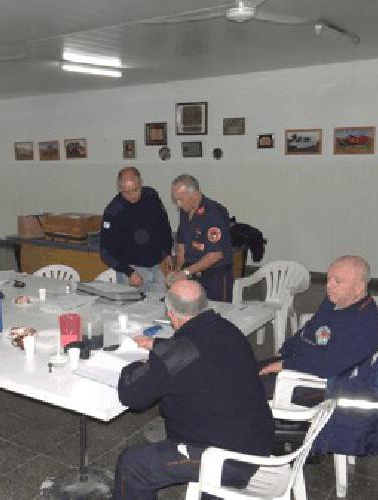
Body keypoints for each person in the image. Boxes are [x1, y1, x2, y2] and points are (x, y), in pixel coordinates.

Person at [113, 280, 274, 499]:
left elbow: (131, 395)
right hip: (257, 439)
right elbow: (198, 350)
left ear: (171, 314)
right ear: (204, 305)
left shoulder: (180, 353)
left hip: (228, 460)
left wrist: (133, 365)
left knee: (132, 465)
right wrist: (159, 344)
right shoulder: (227, 329)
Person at [259, 255, 378, 456]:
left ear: (359, 288)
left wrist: (284, 365)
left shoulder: (365, 325)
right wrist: (283, 353)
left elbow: (328, 366)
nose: (329, 286)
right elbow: (307, 332)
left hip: (326, 385)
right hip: (304, 364)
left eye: (337, 281)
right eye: (328, 279)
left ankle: (247, 441)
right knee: (245, 369)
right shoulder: (335, 303)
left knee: (250, 387)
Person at [99, 167, 174, 292]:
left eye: (135, 190)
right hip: (131, 272)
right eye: (126, 192)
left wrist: (168, 253)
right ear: (119, 188)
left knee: (160, 306)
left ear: (141, 183)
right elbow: (105, 252)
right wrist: (129, 272)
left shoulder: (151, 196)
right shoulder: (113, 211)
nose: (132, 196)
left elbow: (164, 225)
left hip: (157, 267)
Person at [168, 174, 234, 302]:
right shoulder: (185, 211)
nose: (178, 204)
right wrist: (177, 272)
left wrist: (186, 272)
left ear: (195, 194)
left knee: (216, 315)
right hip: (193, 275)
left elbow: (215, 255)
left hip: (215, 277)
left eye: (181, 199)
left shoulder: (214, 212)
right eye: (175, 200)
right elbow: (181, 247)